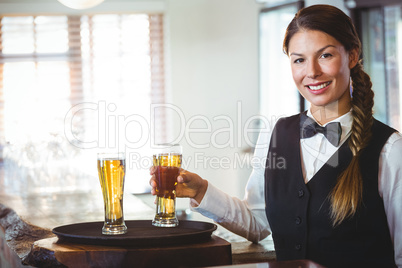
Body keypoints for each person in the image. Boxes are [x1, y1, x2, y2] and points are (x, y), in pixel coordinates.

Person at [150, 4, 402, 267]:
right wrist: (202, 190)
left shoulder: (390, 150)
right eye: (299, 60)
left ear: (352, 56)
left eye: (325, 55)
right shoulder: (274, 134)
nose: (312, 71)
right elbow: (258, 223)